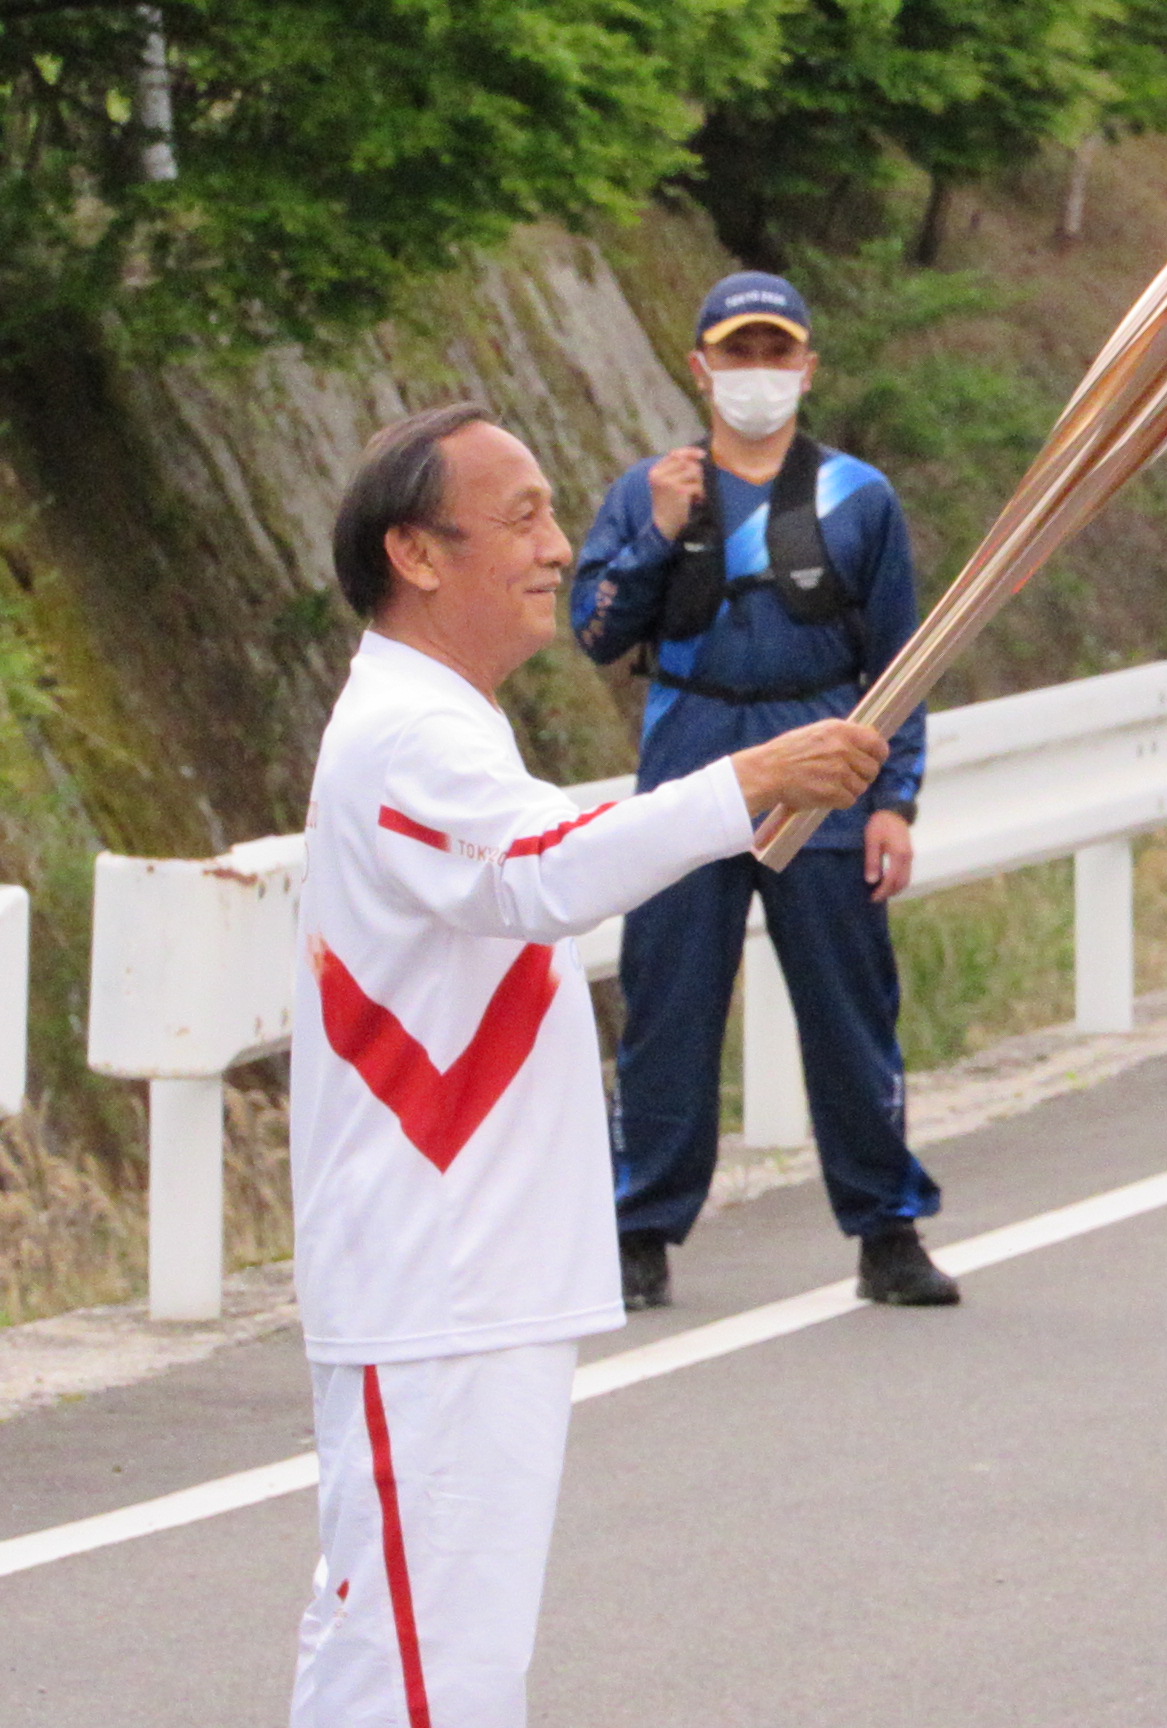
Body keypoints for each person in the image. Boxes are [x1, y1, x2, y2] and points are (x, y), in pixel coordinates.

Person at [291, 402, 886, 1728]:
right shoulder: (407, 735)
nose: (562, 549)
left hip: (471, 1279)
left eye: (556, 515)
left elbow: (547, 853)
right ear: (419, 555)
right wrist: (747, 781)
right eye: (523, 521)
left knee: (428, 1652)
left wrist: (748, 794)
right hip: (431, 1280)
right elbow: (543, 875)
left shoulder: (444, 726)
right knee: (419, 1662)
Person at [571, 271, 953, 1310]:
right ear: (700, 367)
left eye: (774, 353)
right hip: (691, 760)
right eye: (736, 354)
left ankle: (887, 1231)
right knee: (669, 1008)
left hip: (822, 764)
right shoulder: (649, 489)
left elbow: (902, 662)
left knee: (848, 1012)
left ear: (806, 367)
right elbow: (598, 630)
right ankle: (638, 1231)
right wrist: (655, 532)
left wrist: (893, 800)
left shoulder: (858, 497)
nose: (756, 374)